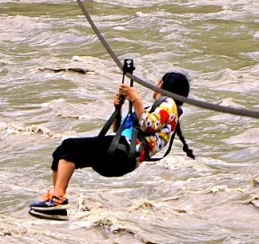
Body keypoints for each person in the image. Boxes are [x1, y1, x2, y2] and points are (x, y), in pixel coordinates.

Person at [29, 72, 190, 218]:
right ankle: (56, 200)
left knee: (69, 147)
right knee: (60, 153)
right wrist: (118, 109)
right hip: (121, 152)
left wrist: (135, 99)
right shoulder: (156, 108)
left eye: (158, 82)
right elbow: (119, 129)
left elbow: (147, 125)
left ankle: (58, 200)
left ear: (162, 85)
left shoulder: (169, 103)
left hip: (124, 152)